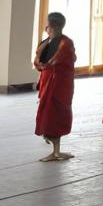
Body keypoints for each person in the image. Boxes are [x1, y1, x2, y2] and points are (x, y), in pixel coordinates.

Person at [33, 12, 76, 162]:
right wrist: (41, 64)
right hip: (47, 82)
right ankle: (54, 148)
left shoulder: (66, 43)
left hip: (59, 84)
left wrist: (46, 64)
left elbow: (57, 61)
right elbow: (38, 61)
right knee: (47, 112)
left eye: (51, 26)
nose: (49, 29)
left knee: (56, 111)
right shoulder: (47, 42)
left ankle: (56, 150)